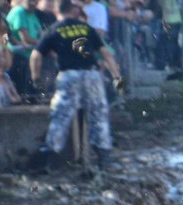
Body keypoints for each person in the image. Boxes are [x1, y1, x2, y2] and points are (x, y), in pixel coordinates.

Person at [30, 0, 119, 170]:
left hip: (69, 76)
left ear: (57, 12)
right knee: (98, 116)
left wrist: (35, 79)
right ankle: (103, 159)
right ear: (72, 10)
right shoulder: (86, 28)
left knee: (61, 117)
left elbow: (35, 56)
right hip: (92, 75)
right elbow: (106, 54)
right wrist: (116, 78)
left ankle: (48, 160)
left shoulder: (53, 29)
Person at [7, 0, 44, 95]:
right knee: (21, 90)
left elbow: (41, 33)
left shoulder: (31, 14)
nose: (33, 3)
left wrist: (43, 41)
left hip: (29, 56)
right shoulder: (19, 11)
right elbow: (25, 39)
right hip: (17, 56)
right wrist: (41, 42)